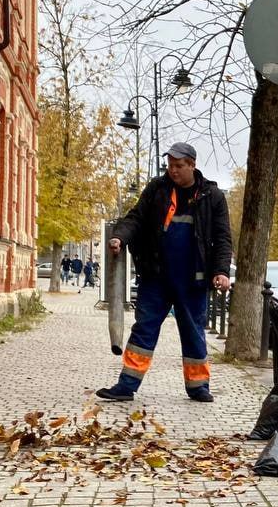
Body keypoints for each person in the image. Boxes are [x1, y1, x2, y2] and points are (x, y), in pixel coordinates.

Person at [97, 142, 232, 403]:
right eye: (170, 165)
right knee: (144, 330)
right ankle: (126, 386)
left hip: (193, 279)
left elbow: (223, 237)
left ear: (192, 165)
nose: (173, 171)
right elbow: (135, 218)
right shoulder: (157, 190)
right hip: (156, 277)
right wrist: (119, 238)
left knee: (193, 331)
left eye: (179, 166)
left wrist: (221, 271)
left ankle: (198, 387)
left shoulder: (212, 196)